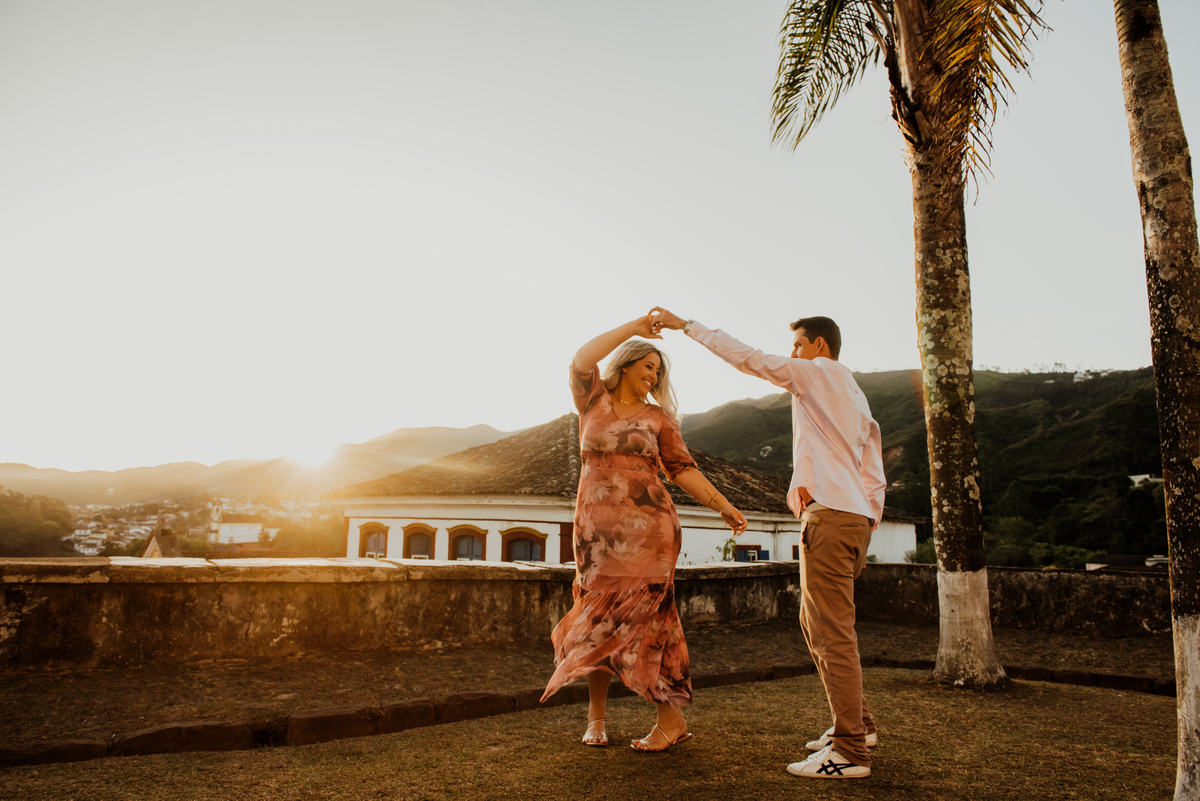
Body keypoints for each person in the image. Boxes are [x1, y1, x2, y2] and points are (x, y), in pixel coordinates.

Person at [650, 307, 886, 780]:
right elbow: (873, 470)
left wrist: (686, 327)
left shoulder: (816, 373)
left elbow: (750, 359)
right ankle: (858, 724)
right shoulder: (855, 393)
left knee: (831, 632)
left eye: (798, 344)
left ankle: (851, 750)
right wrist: (866, 520)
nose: (793, 352)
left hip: (834, 516)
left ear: (819, 345)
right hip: (852, 515)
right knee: (816, 623)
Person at [540, 314, 748, 752]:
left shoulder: (658, 419)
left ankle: (670, 721)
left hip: (650, 534)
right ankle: (596, 719)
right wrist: (634, 327)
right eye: (648, 365)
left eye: (659, 370)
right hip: (595, 535)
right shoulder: (592, 399)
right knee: (597, 621)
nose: (654, 374)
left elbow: (682, 469)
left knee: (652, 624)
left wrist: (723, 505)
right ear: (627, 364)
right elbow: (580, 358)